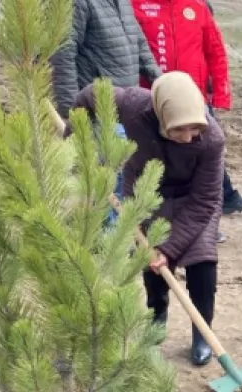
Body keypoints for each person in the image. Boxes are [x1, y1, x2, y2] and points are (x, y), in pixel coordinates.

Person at [74, 72, 223, 366]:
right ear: (161, 114)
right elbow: (91, 95)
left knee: (203, 261)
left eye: (194, 128)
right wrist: (73, 138)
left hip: (193, 201)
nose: (189, 136)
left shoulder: (212, 140)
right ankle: (155, 326)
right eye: (180, 129)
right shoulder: (131, 104)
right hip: (146, 191)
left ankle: (202, 333)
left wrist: (167, 250)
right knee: (151, 266)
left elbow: (205, 201)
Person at [132, 0, 242, 240]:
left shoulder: (196, 7)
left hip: (195, 103)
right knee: (154, 167)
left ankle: (202, 226)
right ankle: (152, 226)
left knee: (198, 166)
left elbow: (215, 51)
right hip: (156, 104)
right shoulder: (137, 6)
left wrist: (221, 94)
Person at [50, 0, 161, 118]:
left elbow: (140, 45)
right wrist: (72, 114)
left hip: (128, 110)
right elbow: (62, 57)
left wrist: (163, 83)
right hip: (96, 113)